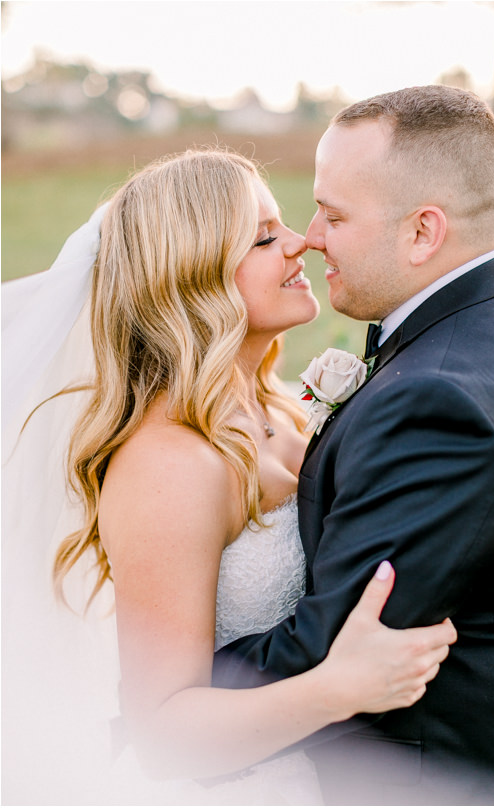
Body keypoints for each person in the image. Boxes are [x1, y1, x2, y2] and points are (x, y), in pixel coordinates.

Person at [1, 150, 457, 803]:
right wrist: (341, 687)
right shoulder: (170, 462)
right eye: (266, 237)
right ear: (192, 277)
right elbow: (162, 735)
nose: (301, 243)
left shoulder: (276, 408)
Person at [210, 86, 494, 805]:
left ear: (422, 232)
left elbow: (332, 650)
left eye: (333, 214)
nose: (311, 236)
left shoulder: (439, 402)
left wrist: (159, 709)